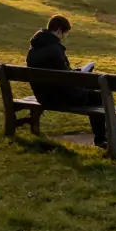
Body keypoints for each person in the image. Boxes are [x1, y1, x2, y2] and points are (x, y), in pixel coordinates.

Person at [25, 15, 107, 148]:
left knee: (91, 93)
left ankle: (102, 137)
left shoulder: (32, 50)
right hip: (61, 98)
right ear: (58, 30)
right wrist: (82, 73)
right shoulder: (55, 49)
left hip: (42, 96)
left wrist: (76, 72)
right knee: (99, 96)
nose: (64, 37)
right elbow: (66, 78)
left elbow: (62, 74)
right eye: (65, 33)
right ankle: (101, 139)